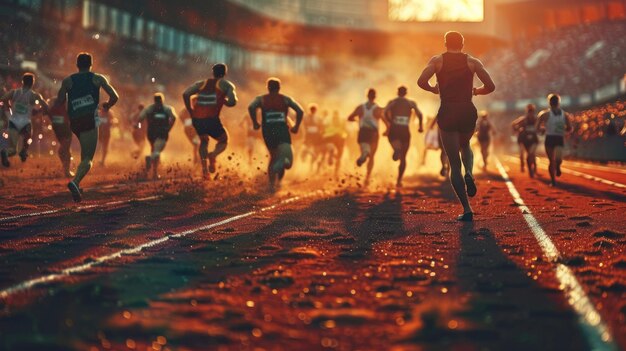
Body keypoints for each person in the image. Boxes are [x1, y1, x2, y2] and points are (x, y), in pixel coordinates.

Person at [417, 31, 495, 221]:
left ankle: (467, 209)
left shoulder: (437, 61)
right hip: (467, 109)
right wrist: (475, 91)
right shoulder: (473, 62)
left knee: (453, 162)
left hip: (448, 110)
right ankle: (470, 172)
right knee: (465, 145)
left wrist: (434, 88)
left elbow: (421, 81)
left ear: (445, 43)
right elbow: (491, 86)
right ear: (462, 43)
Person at [55, 52, 119, 202]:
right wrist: (107, 105)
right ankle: (75, 182)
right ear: (91, 64)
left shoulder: (68, 80)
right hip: (89, 119)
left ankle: (74, 178)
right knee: (88, 158)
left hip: (74, 121)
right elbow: (115, 96)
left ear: (77, 65)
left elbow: (59, 100)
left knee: (81, 152)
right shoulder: (97, 78)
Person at [248, 77, 304, 191]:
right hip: (282, 131)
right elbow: (300, 111)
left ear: (268, 88)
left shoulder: (261, 99)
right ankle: (278, 181)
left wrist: (255, 123)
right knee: (287, 162)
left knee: (274, 156)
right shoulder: (286, 99)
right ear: (279, 88)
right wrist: (296, 127)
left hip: (268, 132)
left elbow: (251, 107)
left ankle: (271, 184)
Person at [182, 63, 237, 177]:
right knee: (223, 140)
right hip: (211, 119)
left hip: (197, 119)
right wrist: (224, 100)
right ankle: (213, 155)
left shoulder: (201, 83)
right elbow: (232, 102)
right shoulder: (226, 85)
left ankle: (205, 171)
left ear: (213, 72)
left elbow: (186, 94)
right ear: (225, 73)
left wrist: (190, 110)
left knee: (204, 141)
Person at [0, 73, 49, 167]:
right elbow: (46, 106)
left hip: (13, 122)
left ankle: (4, 152)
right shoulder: (34, 95)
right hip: (25, 123)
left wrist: (7, 105)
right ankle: (23, 151)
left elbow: (2, 99)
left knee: (13, 150)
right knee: (28, 137)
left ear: (22, 82)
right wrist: (39, 111)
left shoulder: (14, 92)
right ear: (32, 83)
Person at [384, 86, 424, 187]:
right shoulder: (411, 103)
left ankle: (396, 149)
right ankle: (399, 180)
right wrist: (420, 127)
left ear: (397, 92)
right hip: (405, 130)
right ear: (406, 93)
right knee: (403, 158)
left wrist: (389, 122)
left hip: (394, 128)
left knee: (394, 143)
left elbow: (384, 112)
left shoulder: (393, 102)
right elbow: (420, 114)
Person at [347, 89, 387, 185]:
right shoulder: (377, 108)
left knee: (364, 147)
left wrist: (357, 120)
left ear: (367, 96)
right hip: (373, 133)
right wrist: (387, 130)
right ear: (375, 97)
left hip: (363, 131)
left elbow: (349, 117)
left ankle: (364, 154)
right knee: (372, 156)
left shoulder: (361, 107)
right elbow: (385, 121)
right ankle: (367, 177)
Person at [137, 93, 177, 178]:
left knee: (154, 149)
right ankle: (150, 159)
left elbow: (140, 118)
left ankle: (154, 173)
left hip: (151, 133)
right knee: (157, 151)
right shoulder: (167, 109)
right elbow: (174, 118)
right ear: (162, 100)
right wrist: (169, 128)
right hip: (162, 132)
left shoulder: (149, 109)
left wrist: (139, 128)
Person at [537, 94, 572, 186]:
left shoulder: (564, 115)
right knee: (552, 160)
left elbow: (570, 127)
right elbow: (537, 127)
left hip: (558, 138)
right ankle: (553, 181)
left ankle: (557, 167)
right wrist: (542, 130)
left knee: (557, 160)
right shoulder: (545, 114)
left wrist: (566, 131)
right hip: (551, 138)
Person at [46, 97, 73, 176]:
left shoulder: (65, 108)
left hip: (66, 132)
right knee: (65, 151)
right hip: (59, 133)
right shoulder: (52, 110)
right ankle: (66, 169)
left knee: (62, 151)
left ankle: (66, 170)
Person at [511, 104, 539, 177]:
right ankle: (529, 169)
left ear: (533, 112)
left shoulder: (536, 119)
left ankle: (534, 168)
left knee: (531, 153)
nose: (530, 113)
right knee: (528, 155)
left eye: (531, 111)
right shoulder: (523, 119)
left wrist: (540, 129)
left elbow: (542, 126)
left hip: (534, 140)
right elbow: (513, 124)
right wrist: (518, 129)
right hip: (525, 140)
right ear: (527, 112)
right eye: (529, 111)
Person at [321, 110, 347, 175]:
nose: (335, 118)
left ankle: (336, 169)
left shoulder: (341, 120)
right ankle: (332, 159)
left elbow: (345, 129)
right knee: (333, 151)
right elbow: (323, 127)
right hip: (332, 137)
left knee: (339, 155)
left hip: (338, 137)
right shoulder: (329, 120)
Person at [179, 100, 200, 164]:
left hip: (195, 130)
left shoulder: (198, 109)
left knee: (197, 145)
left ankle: (197, 159)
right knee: (197, 145)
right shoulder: (186, 110)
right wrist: (186, 123)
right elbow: (180, 116)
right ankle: (196, 159)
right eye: (194, 102)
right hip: (190, 130)